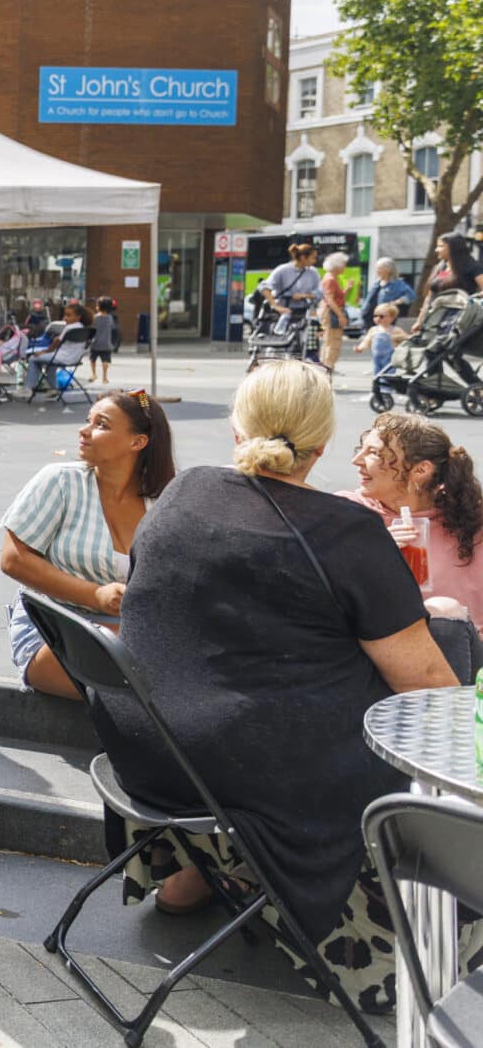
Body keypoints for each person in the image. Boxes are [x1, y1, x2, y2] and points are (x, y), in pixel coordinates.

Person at [92, 361, 461, 1008]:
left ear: (239, 426)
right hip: (246, 770)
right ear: (322, 447)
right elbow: (430, 689)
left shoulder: (181, 494)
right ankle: (437, 907)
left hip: (144, 751)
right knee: (453, 655)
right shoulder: (345, 532)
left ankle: (194, 873)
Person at [1, 390, 176, 699]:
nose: (83, 431)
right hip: (52, 629)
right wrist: (95, 595)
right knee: (144, 677)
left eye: (101, 424)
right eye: (88, 420)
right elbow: (13, 559)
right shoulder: (60, 481)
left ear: (138, 442)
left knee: (162, 666)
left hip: (125, 632)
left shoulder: (161, 503)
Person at [344, 411, 483, 621]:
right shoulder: (345, 511)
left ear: (420, 470)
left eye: (373, 452)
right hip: (382, 644)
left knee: (445, 613)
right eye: (360, 449)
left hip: (466, 646)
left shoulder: (469, 518)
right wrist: (375, 552)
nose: (356, 460)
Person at [20, 301, 88, 397]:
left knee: (33, 359)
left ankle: (28, 388)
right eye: (65, 315)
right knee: (50, 364)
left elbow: (55, 344)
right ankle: (53, 388)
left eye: (69, 315)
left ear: (78, 317)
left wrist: (42, 352)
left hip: (62, 357)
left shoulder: (69, 328)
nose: (65, 318)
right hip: (75, 358)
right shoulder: (82, 327)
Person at [259, 242, 321, 327]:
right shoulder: (282, 270)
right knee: (283, 338)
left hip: (305, 315)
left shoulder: (313, 272)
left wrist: (304, 295)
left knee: (307, 338)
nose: (315, 261)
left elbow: (320, 292)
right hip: (283, 313)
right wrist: (275, 306)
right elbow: (264, 287)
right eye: (313, 258)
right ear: (303, 258)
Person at [355, 302, 407, 378]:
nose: (378, 318)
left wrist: (397, 337)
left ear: (392, 318)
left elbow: (406, 338)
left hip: (390, 359)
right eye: (375, 316)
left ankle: (387, 387)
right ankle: (379, 385)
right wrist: (360, 348)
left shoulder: (395, 330)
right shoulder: (374, 330)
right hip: (376, 358)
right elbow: (366, 340)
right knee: (377, 373)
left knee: (389, 373)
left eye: (381, 316)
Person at [359, 256, 415, 324]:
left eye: (379, 268)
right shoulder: (376, 283)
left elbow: (411, 296)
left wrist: (395, 303)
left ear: (387, 270)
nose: (377, 271)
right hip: (368, 319)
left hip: (383, 320)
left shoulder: (398, 284)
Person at [318, 252, 350, 371]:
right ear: (337, 266)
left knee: (331, 342)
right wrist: (341, 316)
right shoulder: (330, 279)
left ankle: (327, 367)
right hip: (331, 313)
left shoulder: (331, 278)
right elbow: (330, 300)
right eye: (344, 265)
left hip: (330, 311)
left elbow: (336, 297)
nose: (345, 267)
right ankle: (327, 368)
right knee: (332, 342)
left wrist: (346, 289)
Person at [89, 296, 120, 385]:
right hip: (106, 344)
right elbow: (113, 327)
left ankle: (94, 374)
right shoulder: (110, 318)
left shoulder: (95, 317)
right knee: (105, 361)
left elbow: (92, 328)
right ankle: (104, 377)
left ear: (98, 307)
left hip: (95, 343)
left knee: (92, 360)